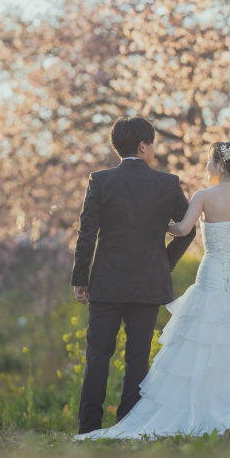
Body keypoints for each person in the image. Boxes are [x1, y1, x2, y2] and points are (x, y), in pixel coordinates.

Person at [75, 140, 230, 440]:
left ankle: (197, 405)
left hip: (212, 274)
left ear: (221, 164)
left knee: (204, 338)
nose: (206, 167)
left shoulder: (203, 196)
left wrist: (156, 221)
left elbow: (181, 230)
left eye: (209, 162)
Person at [71, 116, 196, 435]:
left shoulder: (100, 180)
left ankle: (88, 428)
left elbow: (87, 233)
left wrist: (80, 279)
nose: (153, 149)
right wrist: (163, 263)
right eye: (152, 144)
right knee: (137, 358)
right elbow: (187, 231)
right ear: (143, 146)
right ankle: (128, 426)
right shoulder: (168, 183)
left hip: (106, 283)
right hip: (148, 284)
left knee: (97, 355)